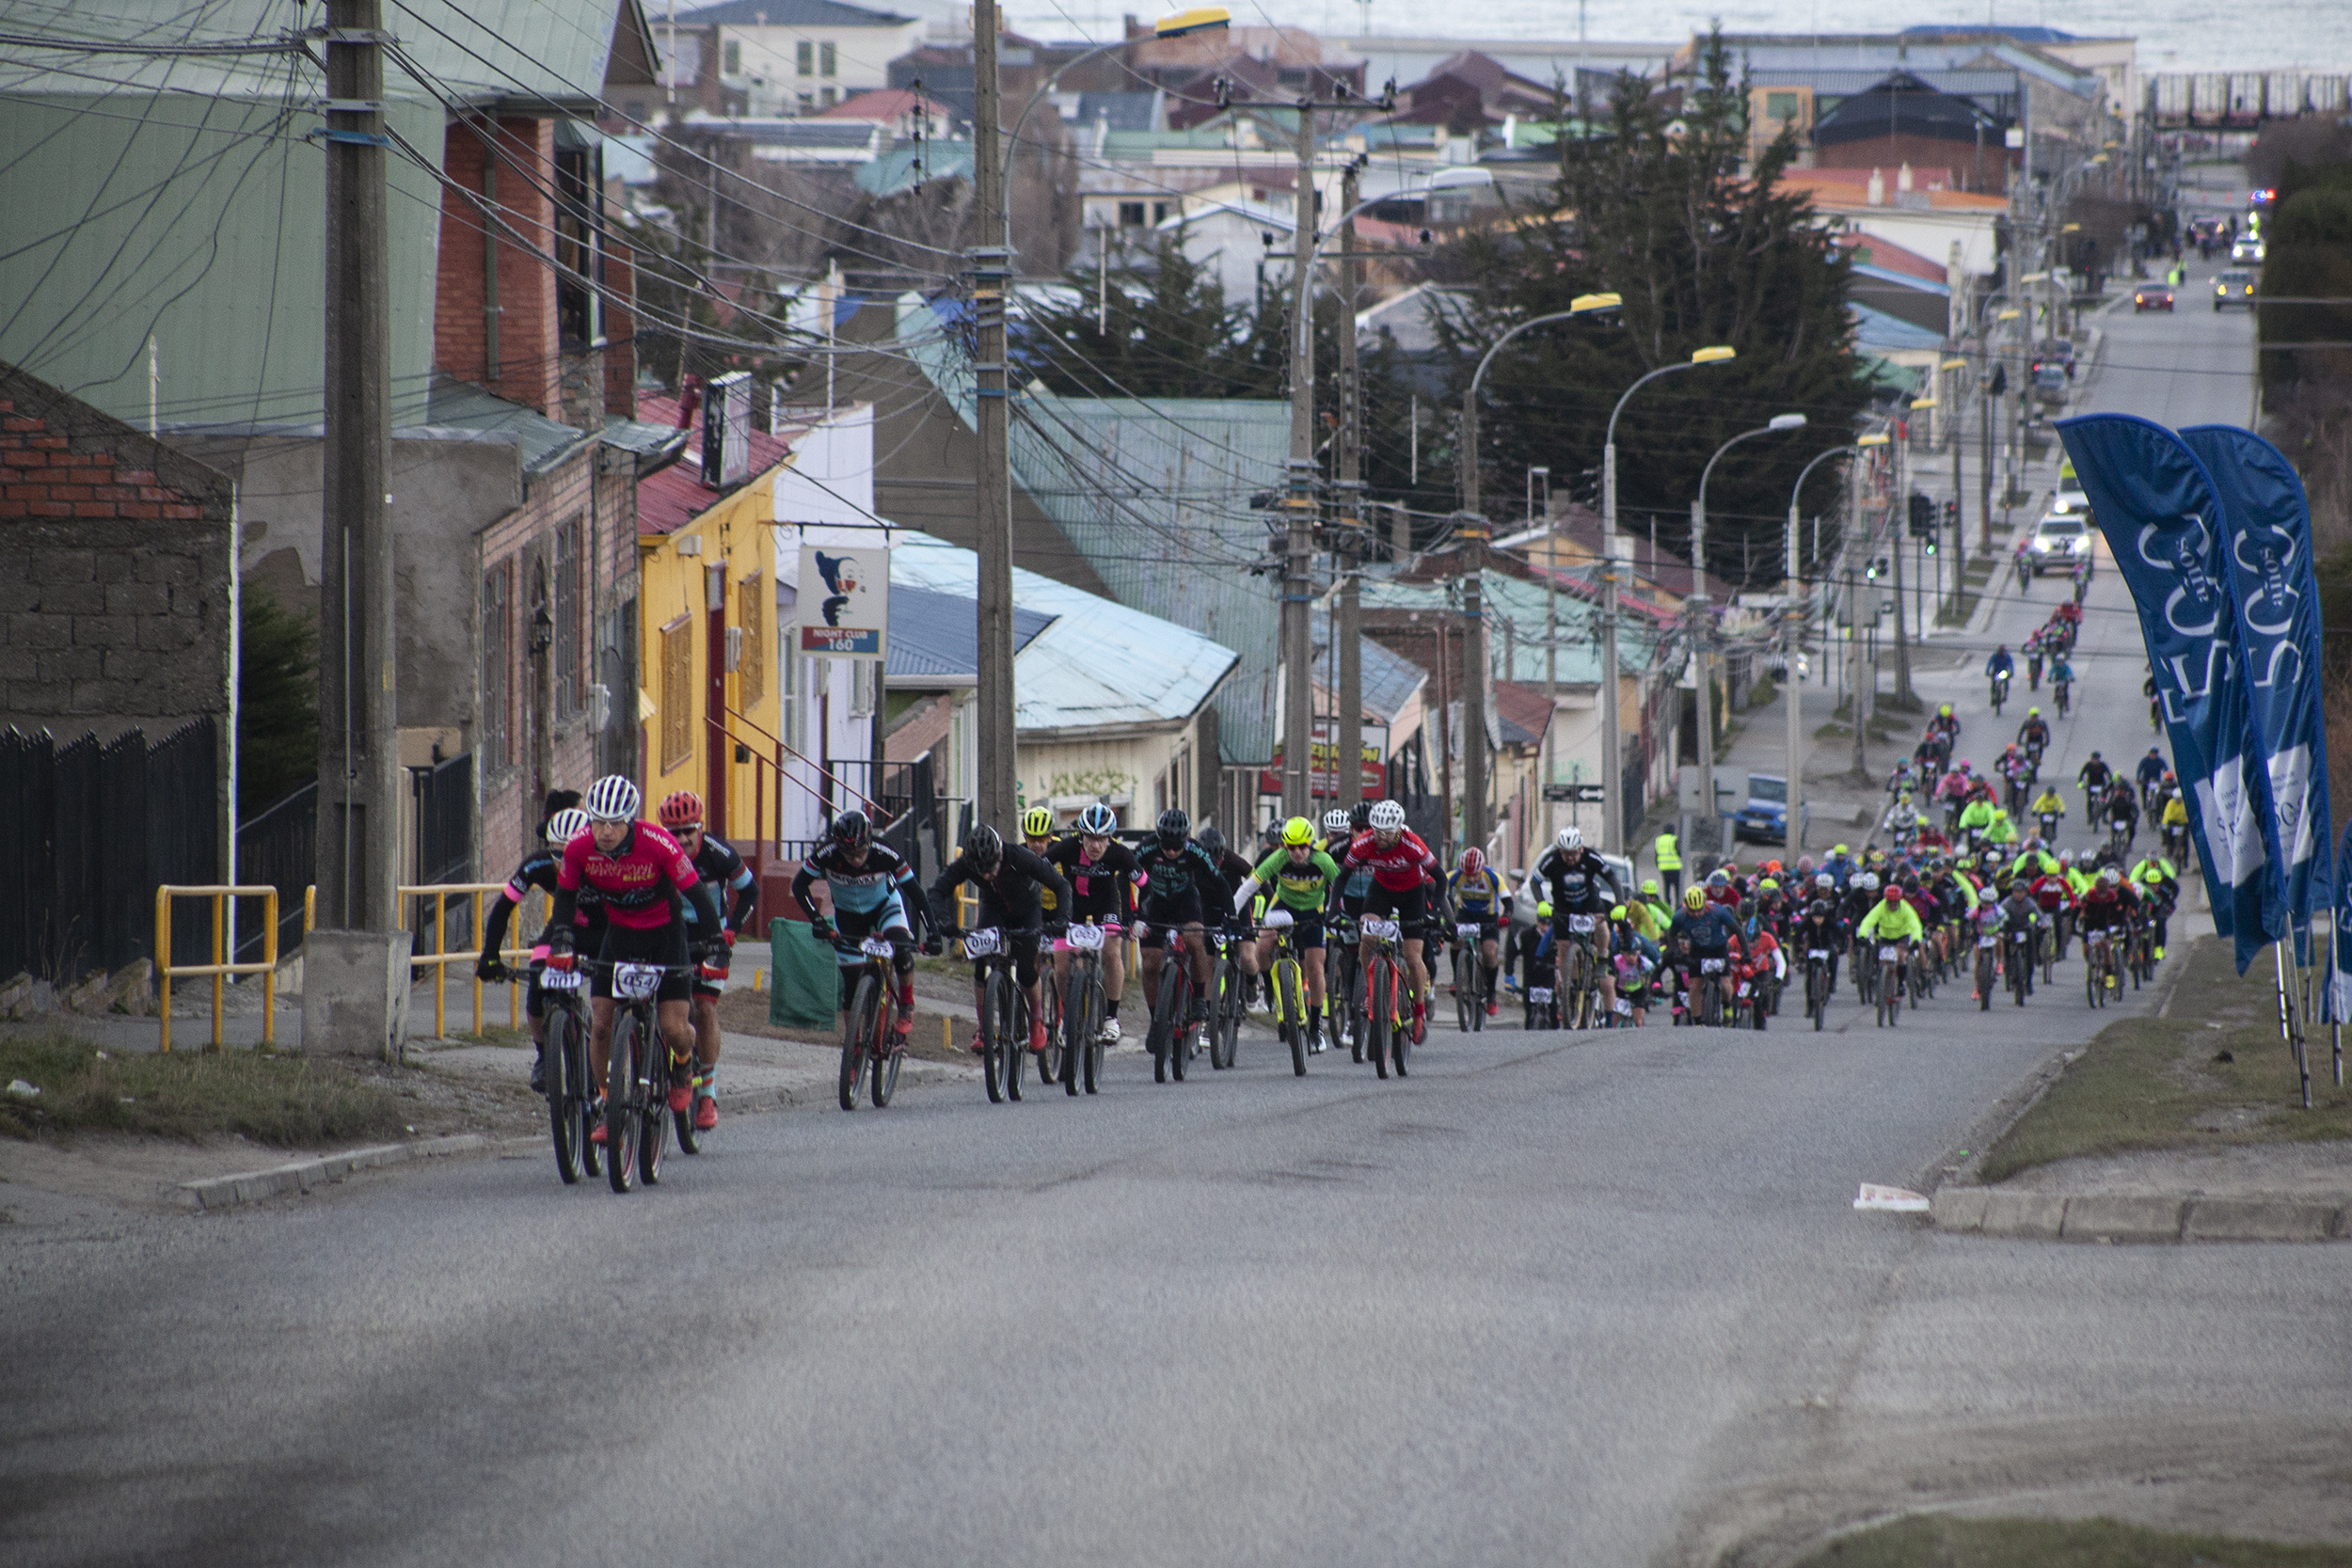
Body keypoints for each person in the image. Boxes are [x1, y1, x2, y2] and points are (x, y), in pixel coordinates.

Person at [546, 776, 725, 1146]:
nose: (606, 831)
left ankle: (683, 1063)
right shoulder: (580, 848)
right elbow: (564, 898)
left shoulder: (659, 844)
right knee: (601, 1024)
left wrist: (716, 945)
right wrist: (561, 941)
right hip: (620, 936)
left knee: (674, 1028)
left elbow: (697, 895)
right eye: (598, 822)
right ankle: (608, 1101)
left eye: (615, 823)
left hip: (665, 936)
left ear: (631, 820)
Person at [659, 790, 761, 1132]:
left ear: (700, 828)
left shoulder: (719, 853)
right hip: (672, 935)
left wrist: (731, 929)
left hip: (710, 937)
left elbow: (750, 891)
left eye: (690, 830)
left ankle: (708, 1094)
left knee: (704, 1009)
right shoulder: (659, 852)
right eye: (675, 833)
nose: (683, 839)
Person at [477, 792, 593, 1094]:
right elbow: (503, 908)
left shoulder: (602, 866)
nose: (564, 862)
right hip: (563, 928)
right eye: (557, 853)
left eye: (572, 853)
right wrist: (490, 955)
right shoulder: (536, 866)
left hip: (604, 928)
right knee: (538, 979)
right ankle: (544, 1055)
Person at [931, 823, 1073, 1058]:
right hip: (993, 909)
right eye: (981, 870)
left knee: (1027, 969)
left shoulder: (1020, 856)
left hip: (1027, 910)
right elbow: (937, 891)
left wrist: (1063, 919)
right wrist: (944, 922)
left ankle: (1036, 1021)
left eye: (992, 867)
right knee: (980, 965)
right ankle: (982, 1029)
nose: (988, 874)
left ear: (999, 853)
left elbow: (1061, 885)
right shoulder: (967, 862)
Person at [794, 806, 930, 1037]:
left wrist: (933, 932)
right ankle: (854, 1047)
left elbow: (915, 892)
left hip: (884, 908)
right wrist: (817, 920)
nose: (856, 860)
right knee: (852, 985)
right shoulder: (827, 853)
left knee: (901, 948)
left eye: (861, 852)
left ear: (869, 842)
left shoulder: (884, 852)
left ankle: (906, 1004)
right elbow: (799, 885)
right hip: (848, 916)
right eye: (849, 855)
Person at [1231, 817, 1343, 1050]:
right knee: (1261, 948)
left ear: (1310, 843)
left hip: (1314, 911)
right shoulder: (1279, 858)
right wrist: (1231, 914)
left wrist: (1337, 916)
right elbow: (1249, 886)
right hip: (1284, 906)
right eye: (1291, 847)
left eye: (1302, 846)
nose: (1297, 853)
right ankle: (1270, 990)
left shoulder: (1323, 860)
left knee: (1314, 967)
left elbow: (1339, 889)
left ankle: (1316, 1028)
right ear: (1284, 845)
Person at [1340, 800, 1441, 1041]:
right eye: (1377, 831)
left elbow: (1440, 879)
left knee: (1412, 956)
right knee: (1368, 936)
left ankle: (1418, 1011)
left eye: (1387, 832)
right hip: (1381, 891)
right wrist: (1334, 911)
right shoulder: (1363, 843)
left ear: (1398, 828)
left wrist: (1434, 913)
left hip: (1412, 894)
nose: (1381, 837)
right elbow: (1342, 878)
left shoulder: (1413, 844)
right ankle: (1370, 992)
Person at [1042, 801, 1141, 1043]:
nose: (1096, 845)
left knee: (1111, 951)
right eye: (1090, 838)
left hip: (1105, 905)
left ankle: (1111, 1018)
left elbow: (1144, 882)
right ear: (1080, 835)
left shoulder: (1119, 852)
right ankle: (1068, 1015)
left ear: (1110, 838)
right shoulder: (1067, 848)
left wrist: (1141, 917)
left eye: (1102, 839)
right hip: (1071, 905)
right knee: (1062, 966)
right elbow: (1038, 867)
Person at [1123, 809, 1225, 1037]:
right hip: (1154, 903)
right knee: (1150, 964)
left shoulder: (1195, 850)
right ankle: (1155, 1021)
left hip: (1186, 902)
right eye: (1165, 846)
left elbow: (1220, 883)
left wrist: (1233, 916)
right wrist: (1129, 914)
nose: (1170, 851)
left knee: (1194, 939)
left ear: (1186, 840)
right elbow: (1124, 874)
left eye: (1176, 847)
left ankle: (1199, 997)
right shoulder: (1147, 847)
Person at [1535, 826, 1624, 1023]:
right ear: (1560, 851)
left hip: (1589, 904)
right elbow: (1535, 881)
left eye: (1574, 853)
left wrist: (1620, 904)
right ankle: (1572, 987)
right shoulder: (1551, 860)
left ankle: (1601, 957)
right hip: (1563, 909)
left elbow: (1613, 879)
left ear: (1581, 849)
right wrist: (1541, 901)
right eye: (1566, 854)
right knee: (1564, 951)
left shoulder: (1591, 857)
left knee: (1601, 924)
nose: (1570, 858)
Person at [1195, 825, 1264, 1006]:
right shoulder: (1193, 861)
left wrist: (1273, 905)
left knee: (1247, 956)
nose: (1215, 866)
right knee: (1208, 961)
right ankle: (1210, 1011)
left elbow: (1258, 878)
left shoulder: (1233, 860)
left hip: (1237, 907)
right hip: (1209, 909)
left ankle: (1252, 983)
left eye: (1218, 861)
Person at [1438, 845, 1511, 1019]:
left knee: (1489, 952)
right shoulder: (1455, 875)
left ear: (1482, 869)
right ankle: (1457, 978)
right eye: (1467, 875)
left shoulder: (1492, 877)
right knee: (1456, 940)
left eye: (1474, 875)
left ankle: (1491, 994)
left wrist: (1506, 916)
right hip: (1466, 915)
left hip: (1488, 918)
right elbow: (1440, 891)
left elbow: (1508, 901)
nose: (1470, 879)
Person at [1665, 886, 1738, 1023]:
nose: (1697, 914)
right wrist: (1675, 951)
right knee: (1694, 986)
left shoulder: (1717, 911)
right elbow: (1672, 935)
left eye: (1699, 910)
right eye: (1693, 911)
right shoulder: (1679, 916)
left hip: (1719, 949)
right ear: (1686, 906)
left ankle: (1727, 1006)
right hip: (1698, 950)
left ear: (1704, 903)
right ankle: (1698, 1023)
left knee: (1725, 983)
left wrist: (1745, 951)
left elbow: (1737, 931)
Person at [1854, 883, 1925, 995]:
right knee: (1881, 960)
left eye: (1895, 903)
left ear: (1899, 901)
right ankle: (1881, 980)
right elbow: (1868, 921)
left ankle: (1901, 984)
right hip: (1885, 937)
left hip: (1902, 936)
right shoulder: (1880, 907)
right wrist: (1862, 935)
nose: (1892, 906)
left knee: (1901, 956)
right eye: (1889, 903)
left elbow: (1915, 925)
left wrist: (1916, 940)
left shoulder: (1906, 908)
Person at [1606, 905, 1661, 1027]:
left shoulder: (1638, 940)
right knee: (1613, 1023)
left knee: (1639, 1022)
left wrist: (1658, 964)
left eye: (1624, 935)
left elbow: (1651, 953)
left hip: (1637, 991)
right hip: (1620, 988)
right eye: (1619, 935)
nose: (1622, 939)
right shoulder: (1614, 943)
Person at [1653, 830, 1683, 902]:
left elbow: (1657, 853)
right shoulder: (1674, 839)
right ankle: (1678, 903)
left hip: (1664, 867)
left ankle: (1667, 903)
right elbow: (1679, 852)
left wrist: (1657, 864)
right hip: (1675, 867)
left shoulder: (1658, 840)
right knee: (1677, 888)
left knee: (1667, 886)